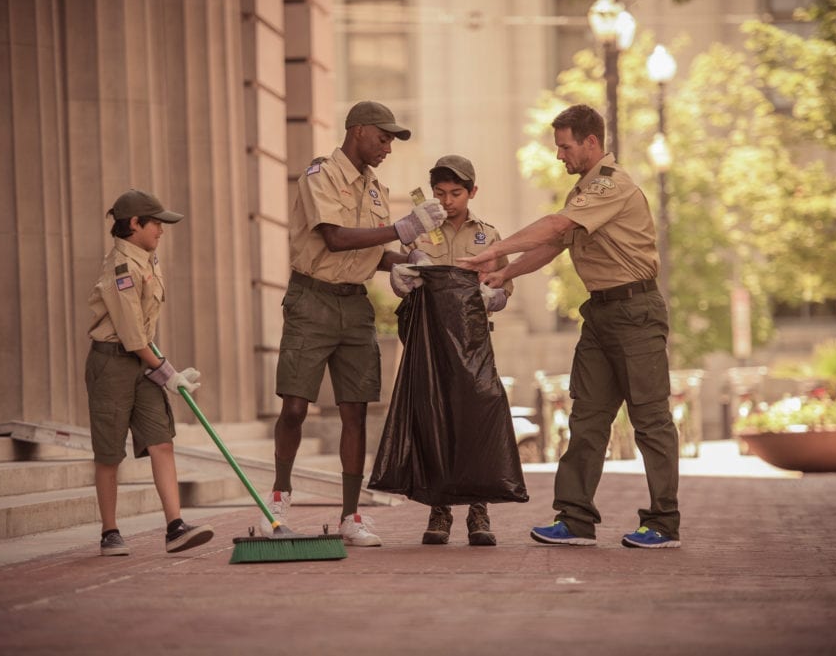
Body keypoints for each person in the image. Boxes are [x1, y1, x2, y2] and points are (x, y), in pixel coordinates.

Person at [458, 104, 681, 549]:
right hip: (600, 313)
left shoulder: (610, 185)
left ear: (591, 143)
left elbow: (555, 226)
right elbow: (558, 242)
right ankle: (575, 519)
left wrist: (491, 251)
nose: (559, 155)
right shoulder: (583, 193)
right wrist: (505, 273)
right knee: (587, 419)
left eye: (565, 146)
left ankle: (663, 523)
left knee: (650, 420)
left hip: (635, 311)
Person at [266, 101, 447, 547]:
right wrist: (401, 230)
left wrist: (405, 262)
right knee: (294, 407)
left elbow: (367, 251)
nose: (388, 147)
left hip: (355, 304)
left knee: (356, 411)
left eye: (391, 140)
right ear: (358, 131)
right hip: (312, 299)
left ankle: (351, 515)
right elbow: (335, 238)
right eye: (383, 138)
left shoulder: (376, 189)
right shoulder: (320, 175)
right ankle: (279, 496)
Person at [388, 154, 513, 546]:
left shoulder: (489, 235)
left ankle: (479, 512)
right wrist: (401, 280)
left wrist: (493, 296)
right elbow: (404, 276)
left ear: (472, 192)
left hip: (473, 341)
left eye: (455, 193)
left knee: (478, 417)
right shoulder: (419, 233)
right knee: (432, 419)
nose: (447, 201)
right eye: (439, 193)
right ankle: (438, 510)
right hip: (430, 341)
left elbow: (506, 287)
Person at [85, 189, 215, 556]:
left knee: (161, 440)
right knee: (110, 452)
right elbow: (130, 334)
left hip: (142, 361)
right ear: (135, 224)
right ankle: (110, 532)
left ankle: (175, 526)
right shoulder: (121, 269)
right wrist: (167, 373)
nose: (161, 230)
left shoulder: (148, 259)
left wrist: (162, 369)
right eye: (155, 223)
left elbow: (143, 331)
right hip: (112, 362)